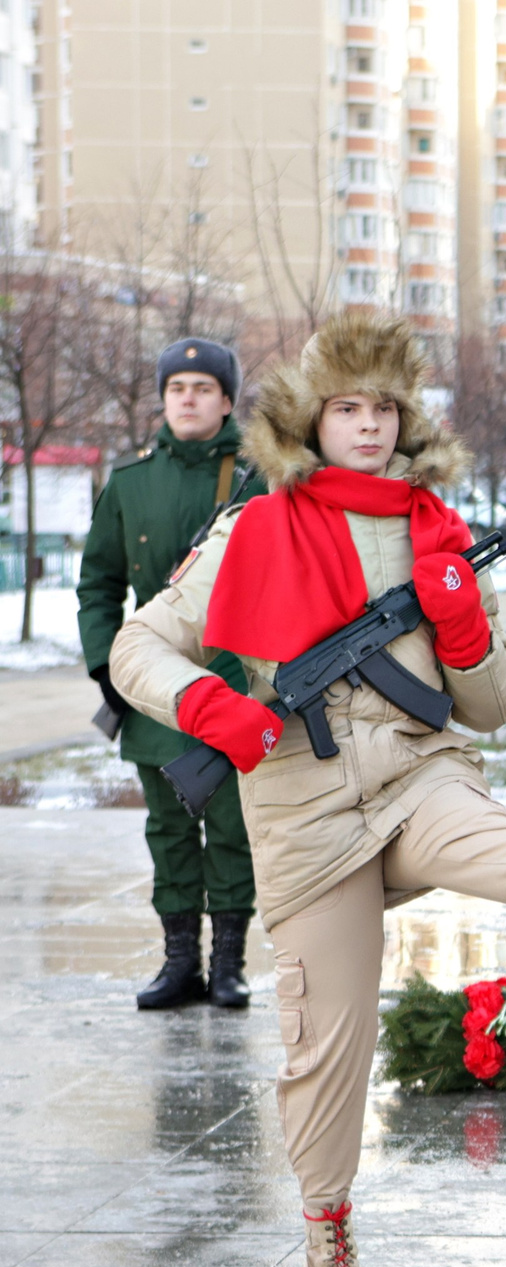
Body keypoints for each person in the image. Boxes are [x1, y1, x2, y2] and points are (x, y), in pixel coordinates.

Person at [110, 309, 506, 1267]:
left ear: (405, 420)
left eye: (383, 408)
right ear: (312, 420)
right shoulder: (253, 529)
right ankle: (327, 1253)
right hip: (301, 803)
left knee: (472, 820)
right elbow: (139, 645)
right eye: (347, 407)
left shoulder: (436, 532)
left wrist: (461, 618)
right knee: (331, 1043)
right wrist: (215, 710)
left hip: (415, 768)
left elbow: (490, 705)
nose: (366, 426)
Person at [78, 339, 267, 1010]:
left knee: (235, 829)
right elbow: (98, 583)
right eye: (177, 387)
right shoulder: (129, 484)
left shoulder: (259, 478)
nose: (187, 398)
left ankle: (229, 967)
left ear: (226, 400)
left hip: (235, 683)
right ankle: (179, 962)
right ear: (163, 399)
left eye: (202, 387)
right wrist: (108, 668)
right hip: (154, 690)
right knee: (168, 830)